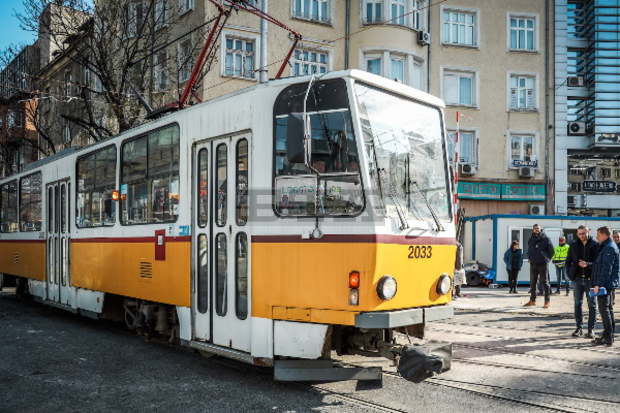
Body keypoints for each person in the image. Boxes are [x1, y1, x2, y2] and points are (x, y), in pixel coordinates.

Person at [566, 225, 599, 338]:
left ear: (588, 232)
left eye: (584, 233)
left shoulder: (595, 245)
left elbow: (599, 263)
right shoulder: (573, 245)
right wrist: (571, 276)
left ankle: (591, 330)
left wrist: (588, 264)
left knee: (592, 305)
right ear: (577, 234)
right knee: (577, 304)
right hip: (577, 280)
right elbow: (568, 262)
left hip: (591, 280)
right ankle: (579, 328)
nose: (582, 236)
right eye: (579, 234)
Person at [591, 226, 619, 346]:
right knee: (608, 309)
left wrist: (599, 284)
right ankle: (608, 335)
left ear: (604, 234)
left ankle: (608, 337)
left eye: (598, 234)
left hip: (605, 285)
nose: (596, 237)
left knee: (604, 310)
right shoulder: (607, 246)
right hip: (607, 283)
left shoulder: (609, 248)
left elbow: (606, 269)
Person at [524, 224, 554, 308]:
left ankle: (547, 302)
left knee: (545, 282)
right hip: (533, 264)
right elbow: (529, 250)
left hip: (543, 264)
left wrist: (546, 259)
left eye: (538, 228)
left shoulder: (545, 239)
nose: (536, 230)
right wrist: (529, 257)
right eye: (535, 228)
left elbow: (552, 251)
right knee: (533, 283)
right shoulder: (531, 239)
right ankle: (532, 301)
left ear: (540, 230)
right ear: (533, 230)